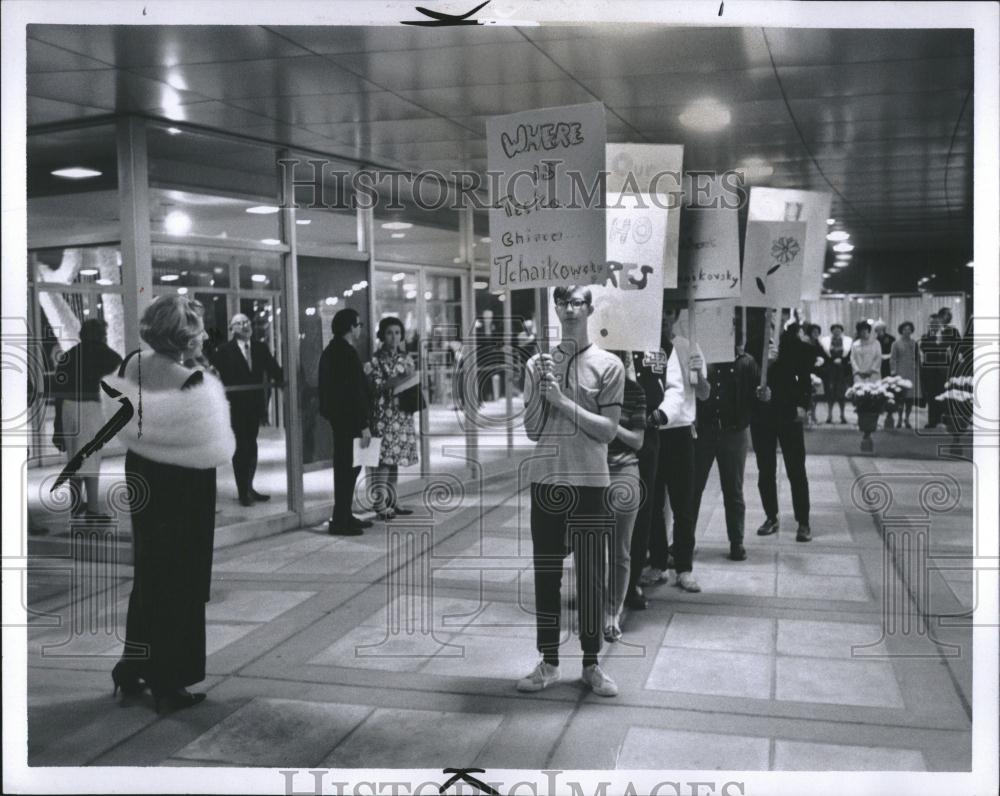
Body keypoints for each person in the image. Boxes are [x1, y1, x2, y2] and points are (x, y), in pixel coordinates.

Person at [104, 295, 235, 712]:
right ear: (183, 336)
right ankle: (169, 681)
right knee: (182, 577)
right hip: (183, 483)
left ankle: (132, 666)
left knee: (151, 573)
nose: (201, 337)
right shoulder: (190, 378)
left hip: (143, 473)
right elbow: (215, 445)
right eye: (196, 330)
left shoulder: (133, 363)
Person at [517, 286, 623, 698]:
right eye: (562, 301)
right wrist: (542, 393)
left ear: (590, 308)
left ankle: (592, 663)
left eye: (578, 300)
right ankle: (548, 661)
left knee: (592, 576)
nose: (570, 307)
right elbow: (531, 430)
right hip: (547, 480)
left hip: (591, 482)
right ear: (555, 308)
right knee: (547, 573)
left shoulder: (609, 365)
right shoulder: (536, 364)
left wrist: (561, 401)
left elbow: (608, 431)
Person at [642, 304, 710, 593]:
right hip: (653, 432)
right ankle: (657, 563)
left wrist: (700, 375)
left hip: (681, 432)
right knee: (653, 504)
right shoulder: (643, 348)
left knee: (684, 505)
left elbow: (704, 394)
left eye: (668, 313)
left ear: (676, 315)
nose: (663, 318)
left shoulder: (688, 346)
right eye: (659, 313)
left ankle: (684, 567)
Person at [691, 329, 760, 562]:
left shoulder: (746, 362)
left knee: (733, 490)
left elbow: (756, 395)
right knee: (693, 488)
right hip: (705, 431)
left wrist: (764, 395)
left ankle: (736, 541)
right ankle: (684, 541)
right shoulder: (702, 358)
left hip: (734, 432)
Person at [622, 345, 678, 611]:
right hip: (607, 431)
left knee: (642, 509)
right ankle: (599, 581)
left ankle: (631, 582)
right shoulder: (603, 341)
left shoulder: (661, 347)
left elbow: (672, 388)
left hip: (646, 433)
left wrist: (658, 415)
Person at [51, 319, 122, 519]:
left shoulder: (68, 356)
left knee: (74, 458)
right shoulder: (107, 356)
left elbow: (59, 391)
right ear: (101, 335)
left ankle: (75, 505)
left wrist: (57, 428)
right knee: (91, 458)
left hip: (68, 408)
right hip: (91, 408)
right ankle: (92, 509)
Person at [211, 313, 283, 507]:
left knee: (251, 445)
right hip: (234, 407)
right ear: (232, 328)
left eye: (247, 322)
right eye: (239, 323)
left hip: (255, 407)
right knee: (240, 447)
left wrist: (287, 383)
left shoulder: (260, 348)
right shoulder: (224, 351)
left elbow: (274, 369)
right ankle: (243, 491)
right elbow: (214, 377)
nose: (245, 326)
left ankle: (249, 487)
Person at [751, 322, 813, 542]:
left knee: (796, 469)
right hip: (762, 416)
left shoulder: (793, 344)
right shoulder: (753, 343)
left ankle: (803, 521)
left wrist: (804, 404)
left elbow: (805, 377)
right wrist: (764, 365)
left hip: (788, 413)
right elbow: (747, 378)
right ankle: (771, 517)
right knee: (765, 469)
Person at [318, 308, 374, 535]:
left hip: (339, 419)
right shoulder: (347, 352)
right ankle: (340, 520)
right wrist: (363, 424)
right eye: (358, 324)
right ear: (351, 327)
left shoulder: (331, 351)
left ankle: (344, 515)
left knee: (345, 468)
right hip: (350, 421)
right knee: (348, 470)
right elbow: (353, 392)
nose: (360, 328)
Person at [604, 351, 646, 641]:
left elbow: (637, 441)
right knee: (588, 548)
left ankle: (611, 614)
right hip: (591, 471)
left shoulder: (634, 391)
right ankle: (591, 605)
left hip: (624, 470)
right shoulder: (588, 389)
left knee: (620, 549)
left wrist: (610, 424)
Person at [365, 317, 419, 520]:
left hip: (401, 414)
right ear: (382, 335)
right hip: (383, 415)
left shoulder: (406, 358)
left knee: (395, 459)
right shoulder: (375, 361)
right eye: (389, 333)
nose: (394, 337)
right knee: (384, 461)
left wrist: (411, 379)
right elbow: (375, 386)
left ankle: (394, 500)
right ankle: (379, 502)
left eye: (397, 333)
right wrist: (399, 379)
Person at [820, 323, 852, 424]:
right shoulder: (825, 341)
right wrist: (832, 361)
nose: (837, 331)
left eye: (839, 329)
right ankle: (829, 415)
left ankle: (842, 415)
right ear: (832, 331)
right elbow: (823, 356)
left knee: (841, 394)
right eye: (834, 329)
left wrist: (842, 360)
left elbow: (850, 355)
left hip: (842, 370)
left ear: (842, 331)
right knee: (830, 393)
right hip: (830, 370)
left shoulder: (848, 341)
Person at [890, 321, 918, 429]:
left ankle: (907, 418)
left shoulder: (914, 343)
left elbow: (917, 358)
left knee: (910, 398)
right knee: (900, 397)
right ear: (901, 330)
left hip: (911, 372)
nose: (907, 331)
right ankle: (899, 418)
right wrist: (893, 371)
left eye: (909, 329)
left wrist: (916, 368)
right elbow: (893, 358)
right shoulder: (896, 343)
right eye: (905, 329)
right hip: (900, 372)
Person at [803, 323, 829, 426]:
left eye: (818, 332)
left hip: (816, 371)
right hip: (806, 371)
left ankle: (813, 416)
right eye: (814, 332)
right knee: (807, 396)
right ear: (810, 332)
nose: (816, 334)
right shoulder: (805, 342)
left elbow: (823, 356)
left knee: (815, 396)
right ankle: (806, 417)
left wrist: (821, 360)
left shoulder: (818, 343)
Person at [873, 321, 896, 428]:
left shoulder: (891, 338)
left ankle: (888, 410)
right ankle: (879, 408)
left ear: (884, 329)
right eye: (877, 329)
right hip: (877, 365)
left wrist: (888, 356)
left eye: (881, 328)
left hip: (887, 365)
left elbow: (894, 351)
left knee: (887, 386)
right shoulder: (873, 339)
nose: (879, 331)